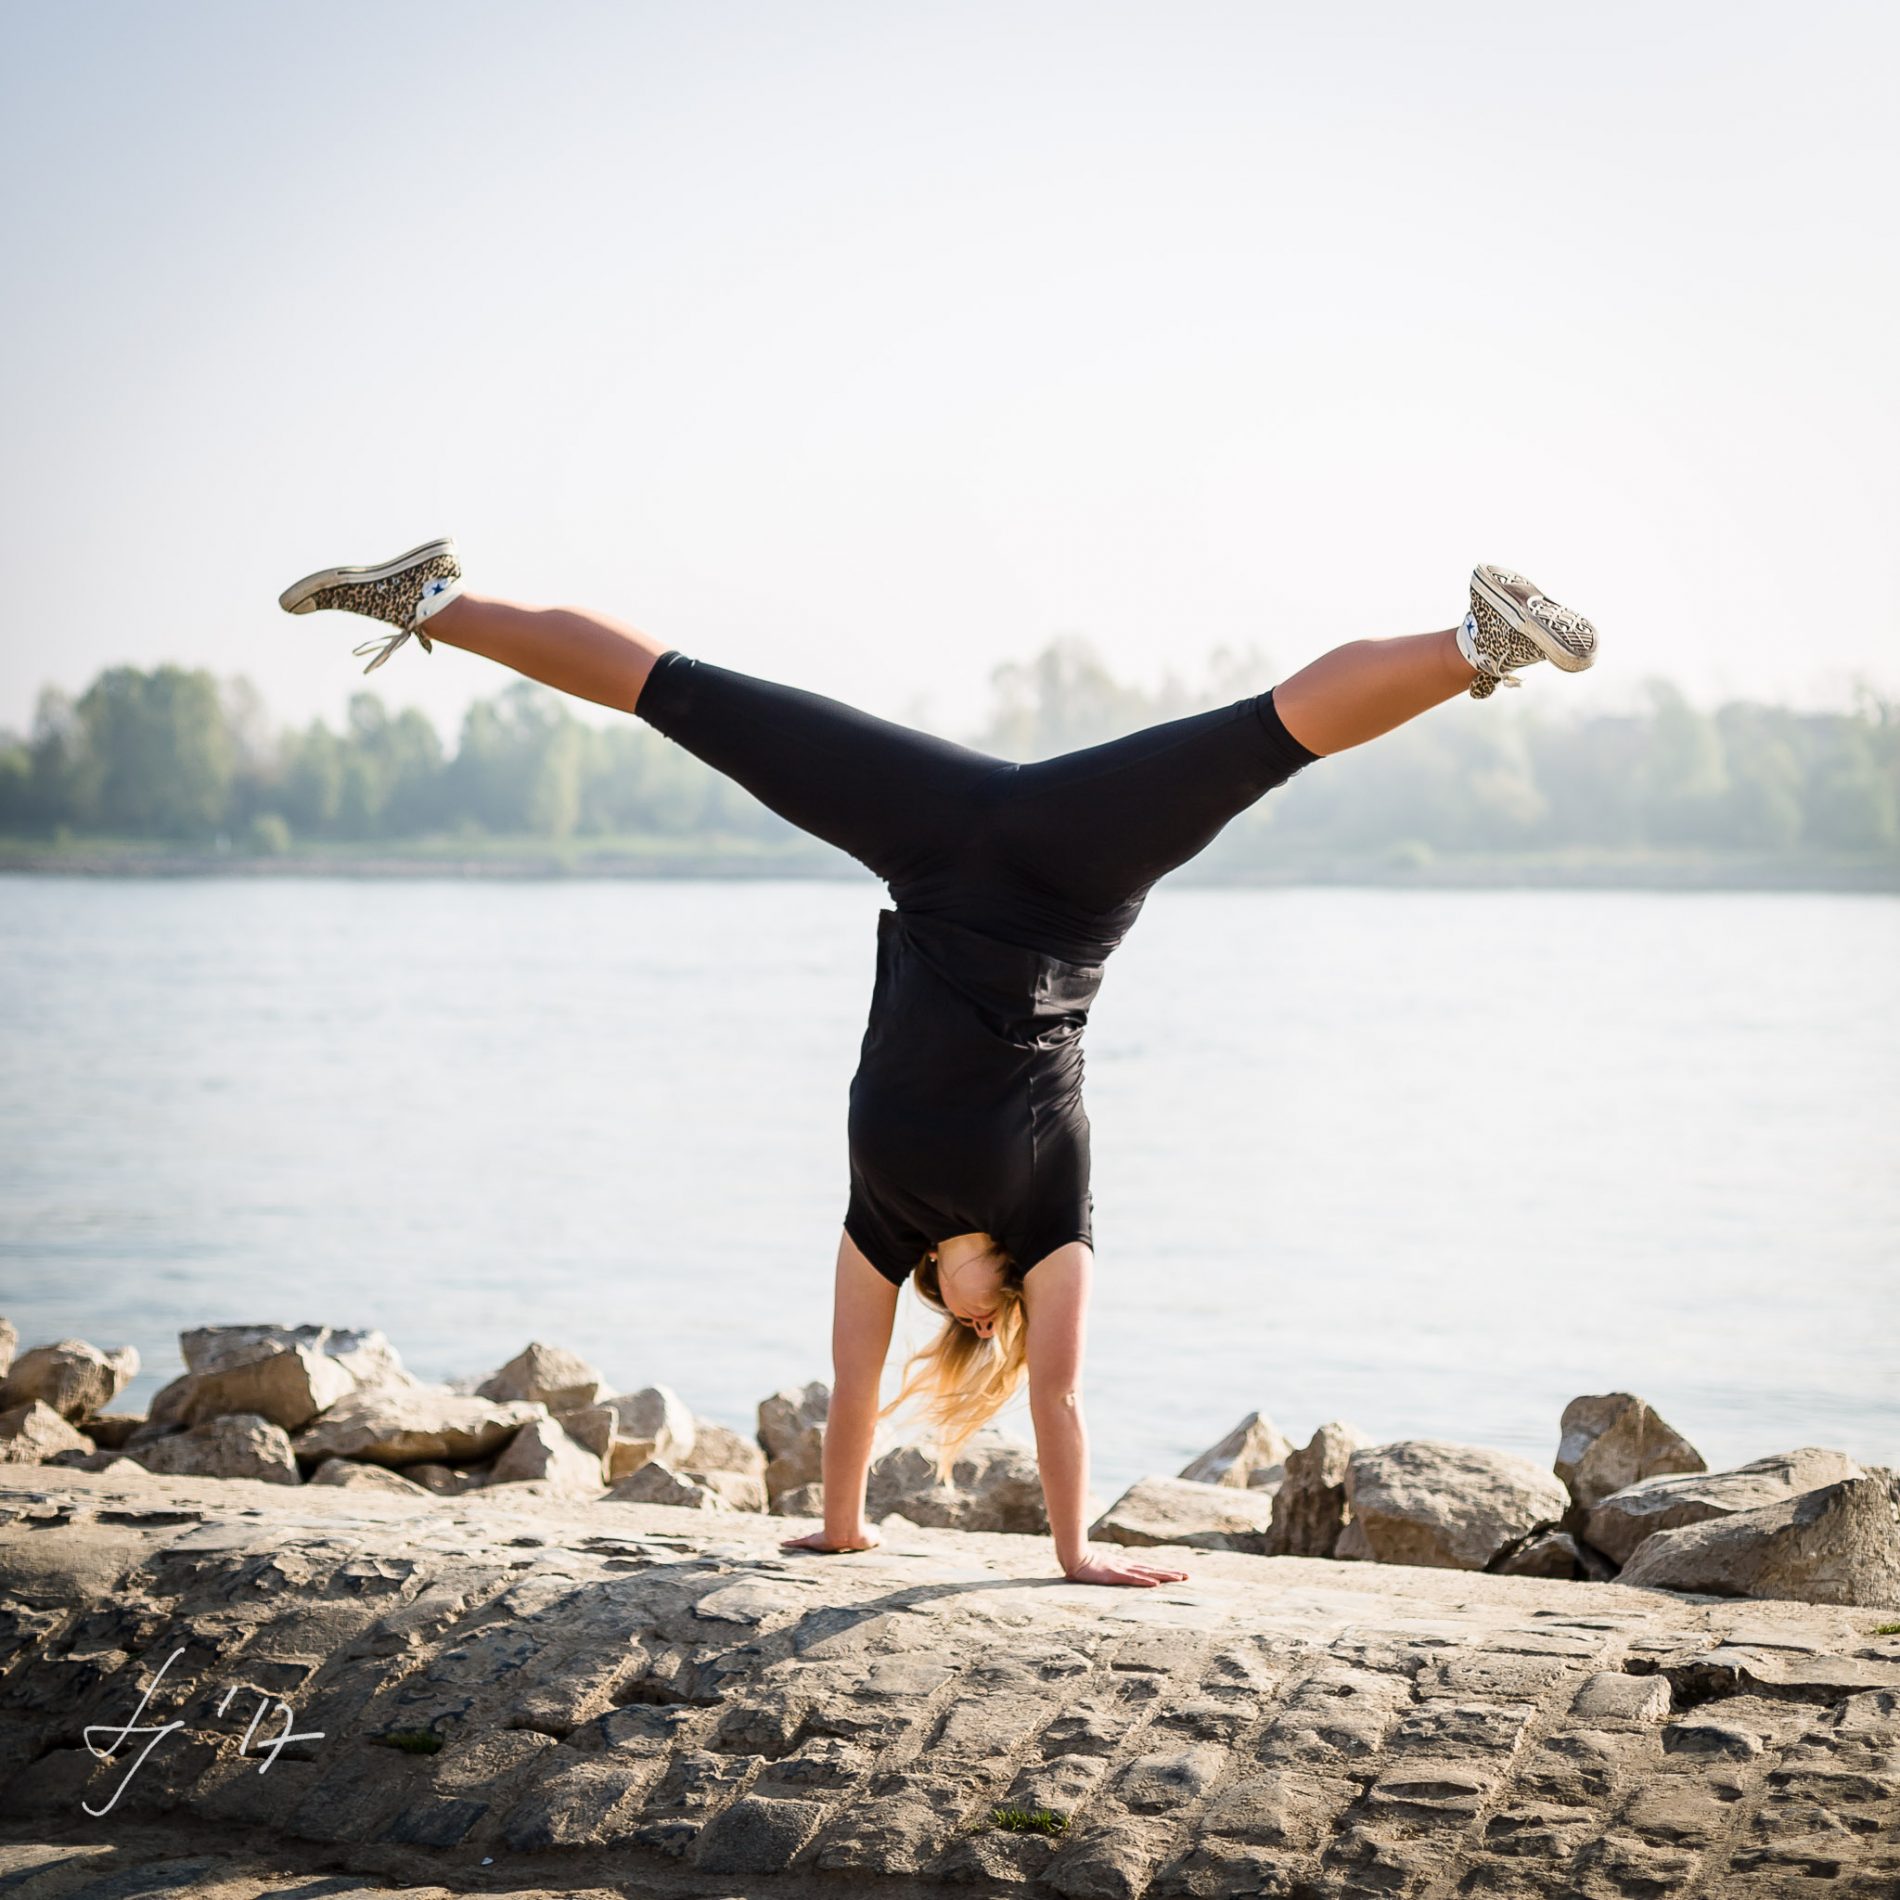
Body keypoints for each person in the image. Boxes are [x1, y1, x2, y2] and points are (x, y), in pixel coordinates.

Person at [278, 541, 1598, 1587]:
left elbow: (855, 1386)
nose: (974, 1325)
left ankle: (437, 600)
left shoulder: (883, 1227)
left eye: (969, 1333)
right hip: (1076, 873)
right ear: (1006, 1300)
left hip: (932, 839)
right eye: (991, 1328)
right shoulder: (1050, 1218)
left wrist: (842, 1528)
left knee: (681, 699)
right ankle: (1476, 642)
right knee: (1260, 740)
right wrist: (1077, 1554)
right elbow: (1065, 1399)